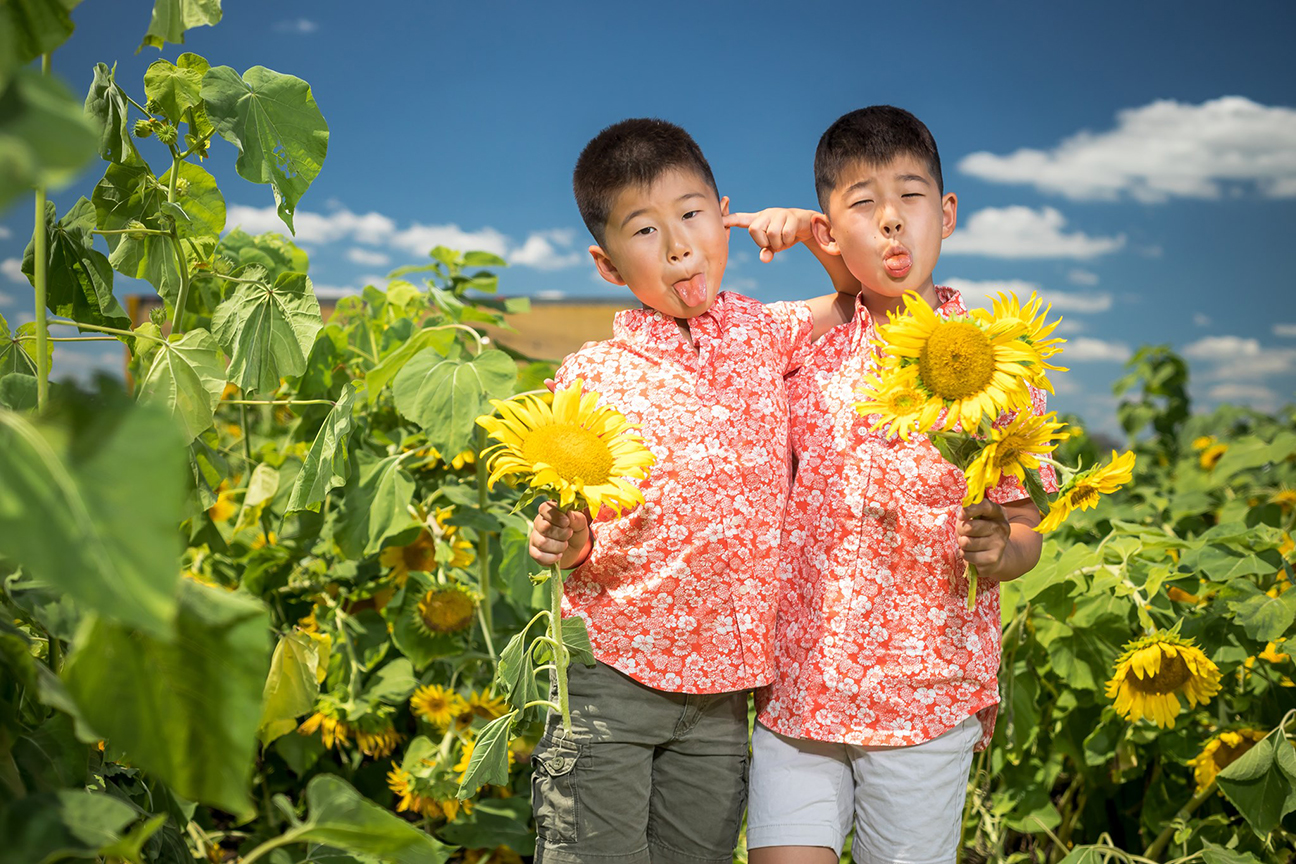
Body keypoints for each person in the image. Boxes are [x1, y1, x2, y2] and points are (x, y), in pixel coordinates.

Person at [525, 117, 856, 864]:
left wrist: (812, 236)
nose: (678, 244)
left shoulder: (764, 334)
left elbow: (856, 306)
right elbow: (566, 515)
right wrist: (564, 538)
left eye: (693, 214)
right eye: (644, 230)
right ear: (608, 265)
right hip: (612, 677)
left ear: (725, 213)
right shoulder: (592, 374)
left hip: (722, 697)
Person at [746, 106, 1058, 864]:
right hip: (799, 686)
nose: (890, 222)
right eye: (861, 204)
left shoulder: (997, 364)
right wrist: (822, 259)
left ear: (946, 214)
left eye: (910, 197)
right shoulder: (804, 347)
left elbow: (1027, 525)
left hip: (927, 691)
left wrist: (1001, 552)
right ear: (830, 227)